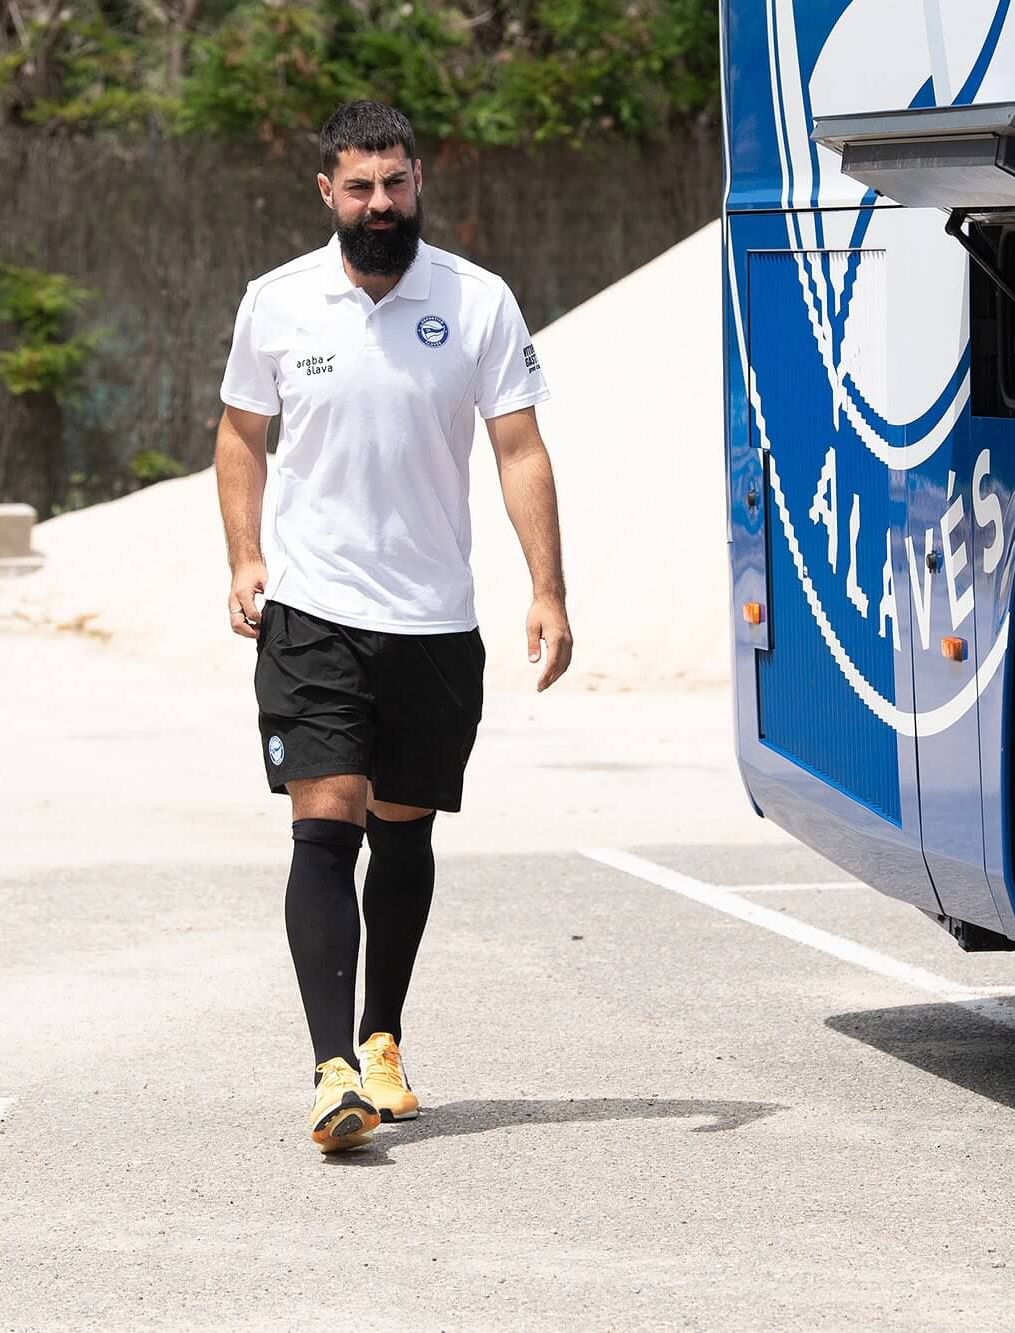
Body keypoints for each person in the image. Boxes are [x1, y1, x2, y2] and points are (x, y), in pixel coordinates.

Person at [214, 100, 572, 1154]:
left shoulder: (475, 302)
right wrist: (245, 557)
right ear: (325, 193)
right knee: (323, 825)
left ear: (419, 182)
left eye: (396, 183)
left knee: (403, 832)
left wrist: (546, 587)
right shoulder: (277, 303)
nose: (381, 205)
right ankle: (332, 1072)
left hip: (432, 620)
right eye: (360, 187)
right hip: (314, 612)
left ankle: (382, 1038)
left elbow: (519, 449)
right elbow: (240, 438)